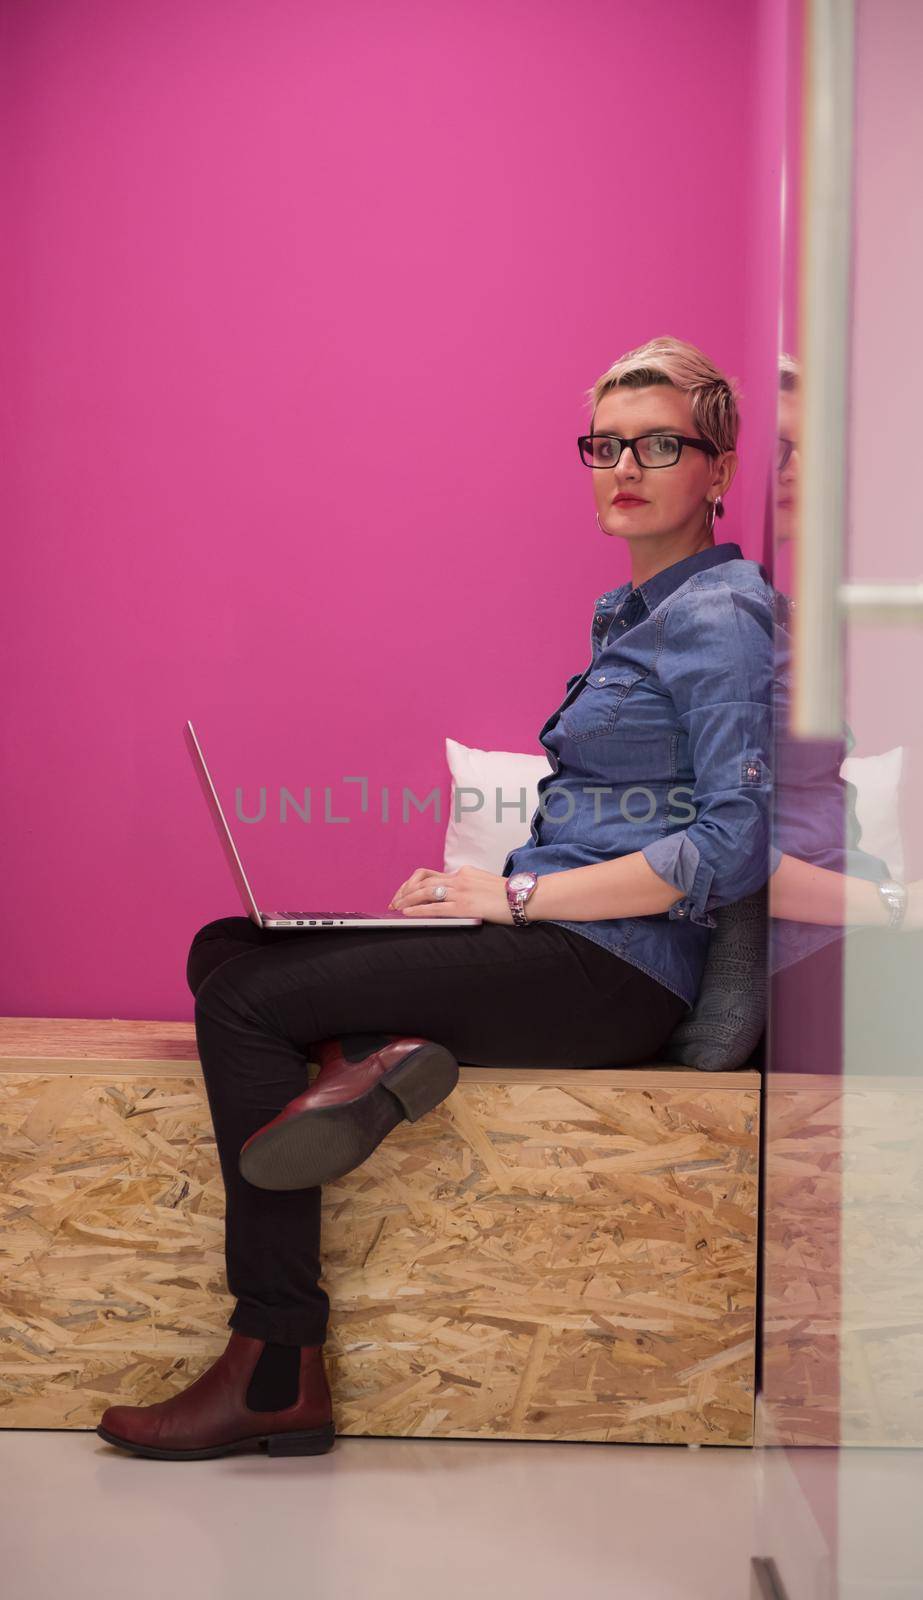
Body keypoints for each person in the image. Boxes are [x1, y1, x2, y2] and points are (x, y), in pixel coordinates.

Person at [96, 334, 778, 1461]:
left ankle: (274, 1364)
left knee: (244, 1001)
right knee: (227, 949)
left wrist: (505, 903)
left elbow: (731, 842)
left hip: (614, 973)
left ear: (716, 466)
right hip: (563, 935)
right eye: (603, 444)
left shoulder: (719, 616)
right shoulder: (638, 612)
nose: (625, 464)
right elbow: (619, 813)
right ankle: (373, 1052)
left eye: (659, 443)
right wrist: (479, 894)